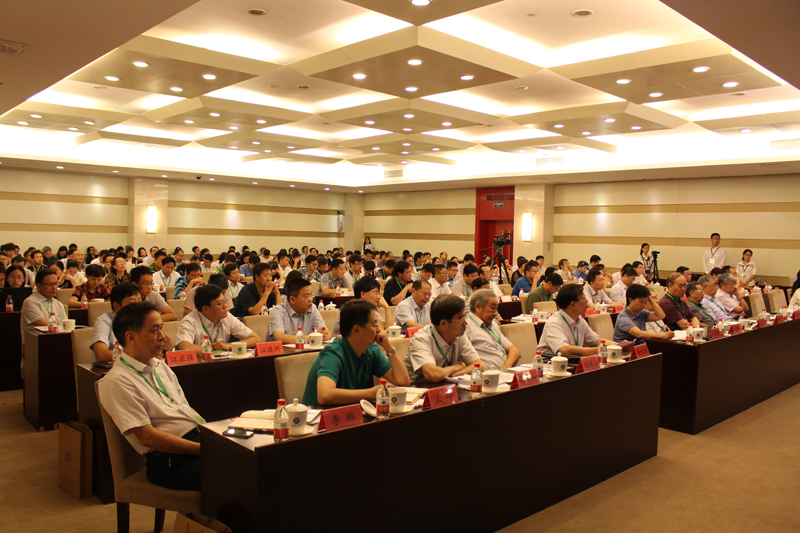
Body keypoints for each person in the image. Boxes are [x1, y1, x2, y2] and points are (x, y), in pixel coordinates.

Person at [98, 301, 204, 491]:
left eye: (161, 328)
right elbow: (148, 438)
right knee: (237, 470)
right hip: (170, 461)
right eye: (155, 330)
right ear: (131, 337)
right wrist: (204, 450)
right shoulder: (118, 381)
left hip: (196, 440)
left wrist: (213, 434)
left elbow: (185, 408)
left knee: (252, 454)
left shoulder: (160, 366)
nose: (162, 336)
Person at [303, 299, 408, 406]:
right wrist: (370, 393)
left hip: (350, 411)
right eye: (374, 324)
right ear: (356, 329)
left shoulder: (371, 349)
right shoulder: (333, 353)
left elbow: (403, 381)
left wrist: (388, 347)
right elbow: (324, 395)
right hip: (320, 414)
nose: (378, 330)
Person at [404, 295, 481, 385]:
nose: (465, 323)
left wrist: (454, 373)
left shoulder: (459, 335)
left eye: (465, 317)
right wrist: (454, 368)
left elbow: (478, 365)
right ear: (443, 324)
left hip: (446, 386)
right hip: (418, 389)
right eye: (460, 318)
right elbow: (434, 375)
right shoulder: (421, 339)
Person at [177, 285, 260, 354]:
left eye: (224, 301)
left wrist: (227, 346)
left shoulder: (227, 317)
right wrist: (211, 347)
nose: (225, 306)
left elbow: (256, 339)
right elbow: (185, 347)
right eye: (220, 303)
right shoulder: (189, 321)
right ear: (205, 309)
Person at [91, 282, 159, 362]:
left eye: (140, 301)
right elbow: (101, 354)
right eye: (132, 303)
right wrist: (138, 355)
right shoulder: (103, 321)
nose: (138, 307)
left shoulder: (143, 320)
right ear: (116, 306)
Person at [536, 284, 608, 357]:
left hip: (573, 360)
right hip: (549, 362)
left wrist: (614, 346)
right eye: (583, 298)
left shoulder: (580, 320)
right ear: (572, 304)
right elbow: (564, 349)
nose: (586, 301)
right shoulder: (554, 322)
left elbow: (596, 341)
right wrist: (600, 349)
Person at [465, 289, 521, 369]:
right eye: (493, 308)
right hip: (486, 375)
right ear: (477, 307)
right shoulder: (466, 328)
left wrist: (503, 371)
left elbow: (514, 351)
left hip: (504, 372)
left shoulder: (493, 324)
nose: (495, 314)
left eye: (496, 309)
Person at [267, 277, 331, 343]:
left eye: (311, 295)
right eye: (306, 296)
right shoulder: (278, 311)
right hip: (282, 349)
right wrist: (312, 337)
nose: (311, 299)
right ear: (292, 299)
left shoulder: (312, 308)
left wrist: (323, 334)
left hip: (303, 349)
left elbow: (327, 334)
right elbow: (279, 337)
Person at [21, 269, 68, 336]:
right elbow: (45, 325)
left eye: (56, 283)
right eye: (50, 284)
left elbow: (65, 326)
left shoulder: (58, 304)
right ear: (39, 286)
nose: (54, 287)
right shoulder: (30, 302)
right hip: (37, 340)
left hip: (57, 337)